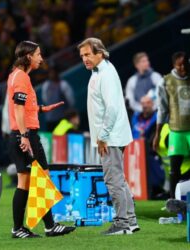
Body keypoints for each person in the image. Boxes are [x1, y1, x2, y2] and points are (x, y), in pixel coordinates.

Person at [7, 40, 76, 238]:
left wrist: (39, 109)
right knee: (37, 180)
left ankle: (44, 226)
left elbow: (20, 107)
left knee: (33, 181)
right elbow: (18, 109)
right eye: (38, 54)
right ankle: (26, 228)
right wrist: (24, 136)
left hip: (21, 133)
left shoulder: (16, 76)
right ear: (29, 56)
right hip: (25, 135)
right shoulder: (21, 77)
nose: (41, 58)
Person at [78, 37, 139, 235]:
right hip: (110, 134)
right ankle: (130, 221)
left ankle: (122, 224)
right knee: (118, 179)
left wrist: (103, 136)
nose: (84, 59)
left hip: (110, 136)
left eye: (88, 54)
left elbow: (111, 109)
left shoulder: (105, 74)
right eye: (82, 56)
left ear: (100, 53)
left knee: (113, 180)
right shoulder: (100, 71)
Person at [153, 51, 190, 199]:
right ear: (173, 65)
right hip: (176, 130)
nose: (182, 68)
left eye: (184, 64)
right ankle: (173, 201)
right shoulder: (165, 81)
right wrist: (157, 135)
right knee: (174, 169)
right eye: (179, 65)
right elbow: (162, 110)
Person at [131, 94, 165, 199]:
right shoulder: (135, 118)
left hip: (151, 152)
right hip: (134, 153)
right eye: (143, 103)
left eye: (148, 103)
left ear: (153, 104)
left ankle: (156, 190)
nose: (145, 106)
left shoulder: (157, 118)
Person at [41, 64, 75, 131]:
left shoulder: (63, 84)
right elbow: (45, 100)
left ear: (57, 73)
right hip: (50, 120)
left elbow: (71, 101)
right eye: (50, 72)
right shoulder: (46, 85)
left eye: (53, 72)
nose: (52, 74)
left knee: (63, 138)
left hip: (62, 119)